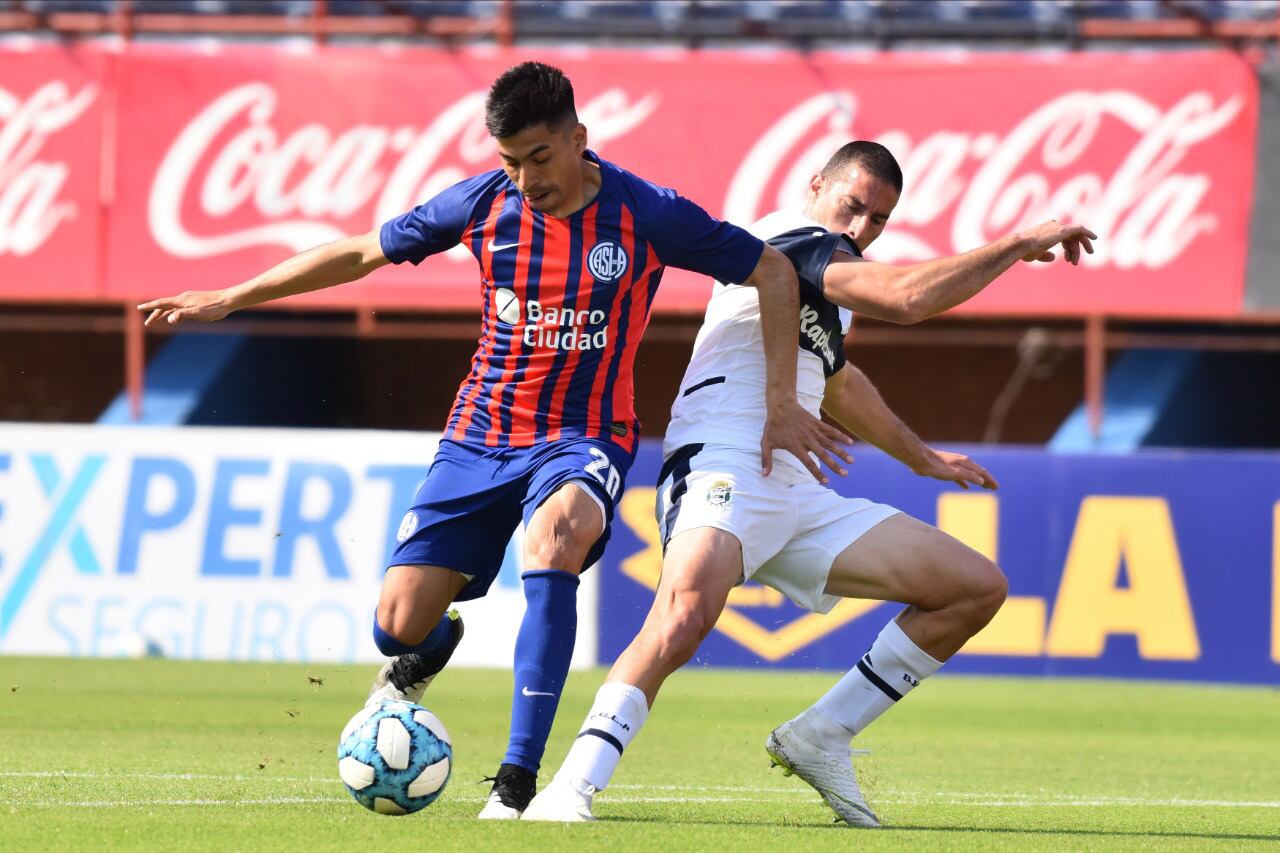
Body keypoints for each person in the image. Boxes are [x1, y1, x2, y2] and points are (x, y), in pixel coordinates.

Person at [136, 62, 850, 820]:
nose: (526, 179)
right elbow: (360, 252)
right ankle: (426, 649)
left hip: (584, 434)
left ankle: (515, 783)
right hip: (480, 434)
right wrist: (233, 296)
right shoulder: (482, 204)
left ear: (578, 139)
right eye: (510, 161)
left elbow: (773, 270)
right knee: (396, 625)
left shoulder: (647, 212)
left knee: (556, 537)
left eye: (539, 158)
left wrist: (781, 401)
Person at [523, 141, 1096, 825]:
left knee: (974, 588)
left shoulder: (828, 279)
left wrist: (920, 457)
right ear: (816, 184)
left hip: (796, 484)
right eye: (853, 205)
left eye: (878, 219)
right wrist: (1018, 243)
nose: (861, 227)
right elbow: (907, 298)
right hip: (725, 458)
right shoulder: (788, 238)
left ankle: (821, 734)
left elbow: (839, 384)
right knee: (683, 616)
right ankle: (571, 788)